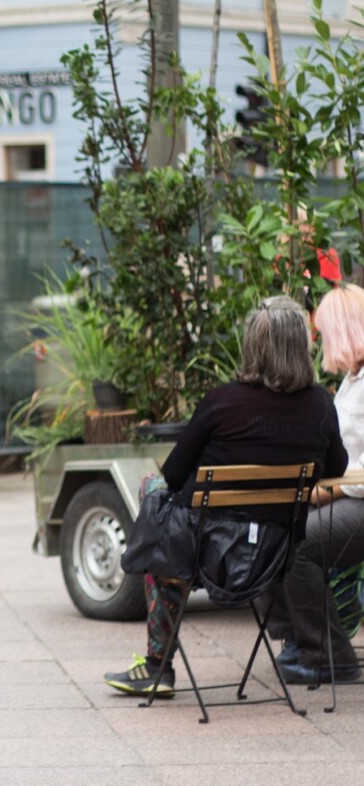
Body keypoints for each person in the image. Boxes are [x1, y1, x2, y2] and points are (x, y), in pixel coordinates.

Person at [104, 295, 347, 696]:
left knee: (154, 494)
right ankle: (156, 662)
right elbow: (335, 471)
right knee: (170, 513)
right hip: (275, 557)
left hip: (208, 555)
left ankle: (157, 665)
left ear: (251, 345)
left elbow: (174, 474)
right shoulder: (320, 405)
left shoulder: (221, 403)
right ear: (301, 348)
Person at [262, 283, 364, 684]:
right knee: (266, 531)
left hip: (358, 498)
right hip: (345, 494)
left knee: (298, 544)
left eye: (323, 332)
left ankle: (330, 655)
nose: (319, 341)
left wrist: (327, 492)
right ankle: (297, 641)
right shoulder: (353, 380)